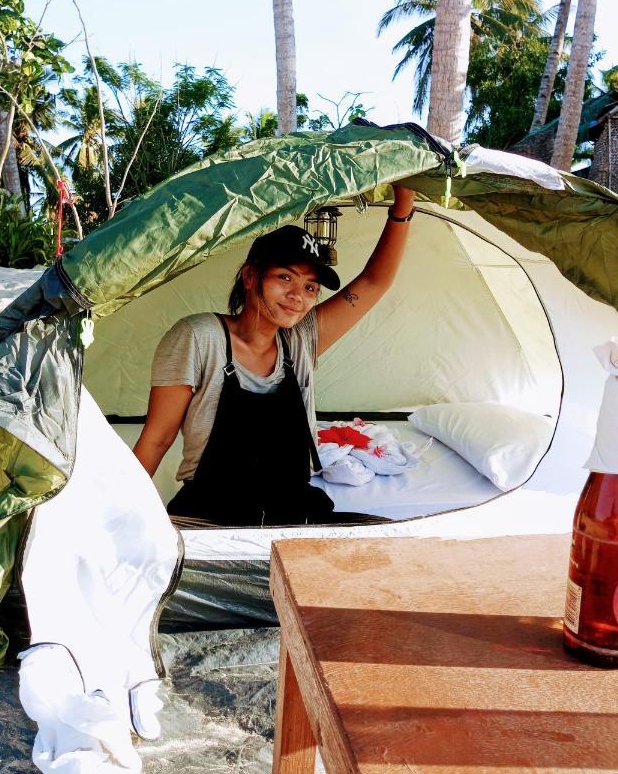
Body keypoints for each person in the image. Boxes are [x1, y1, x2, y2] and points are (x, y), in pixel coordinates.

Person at [133, 186, 417, 527]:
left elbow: (373, 282)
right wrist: (118, 514)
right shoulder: (199, 337)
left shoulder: (300, 340)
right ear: (252, 276)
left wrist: (403, 205)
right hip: (211, 512)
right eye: (285, 278)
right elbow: (157, 438)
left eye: (310, 287)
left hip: (292, 509)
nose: (297, 296)